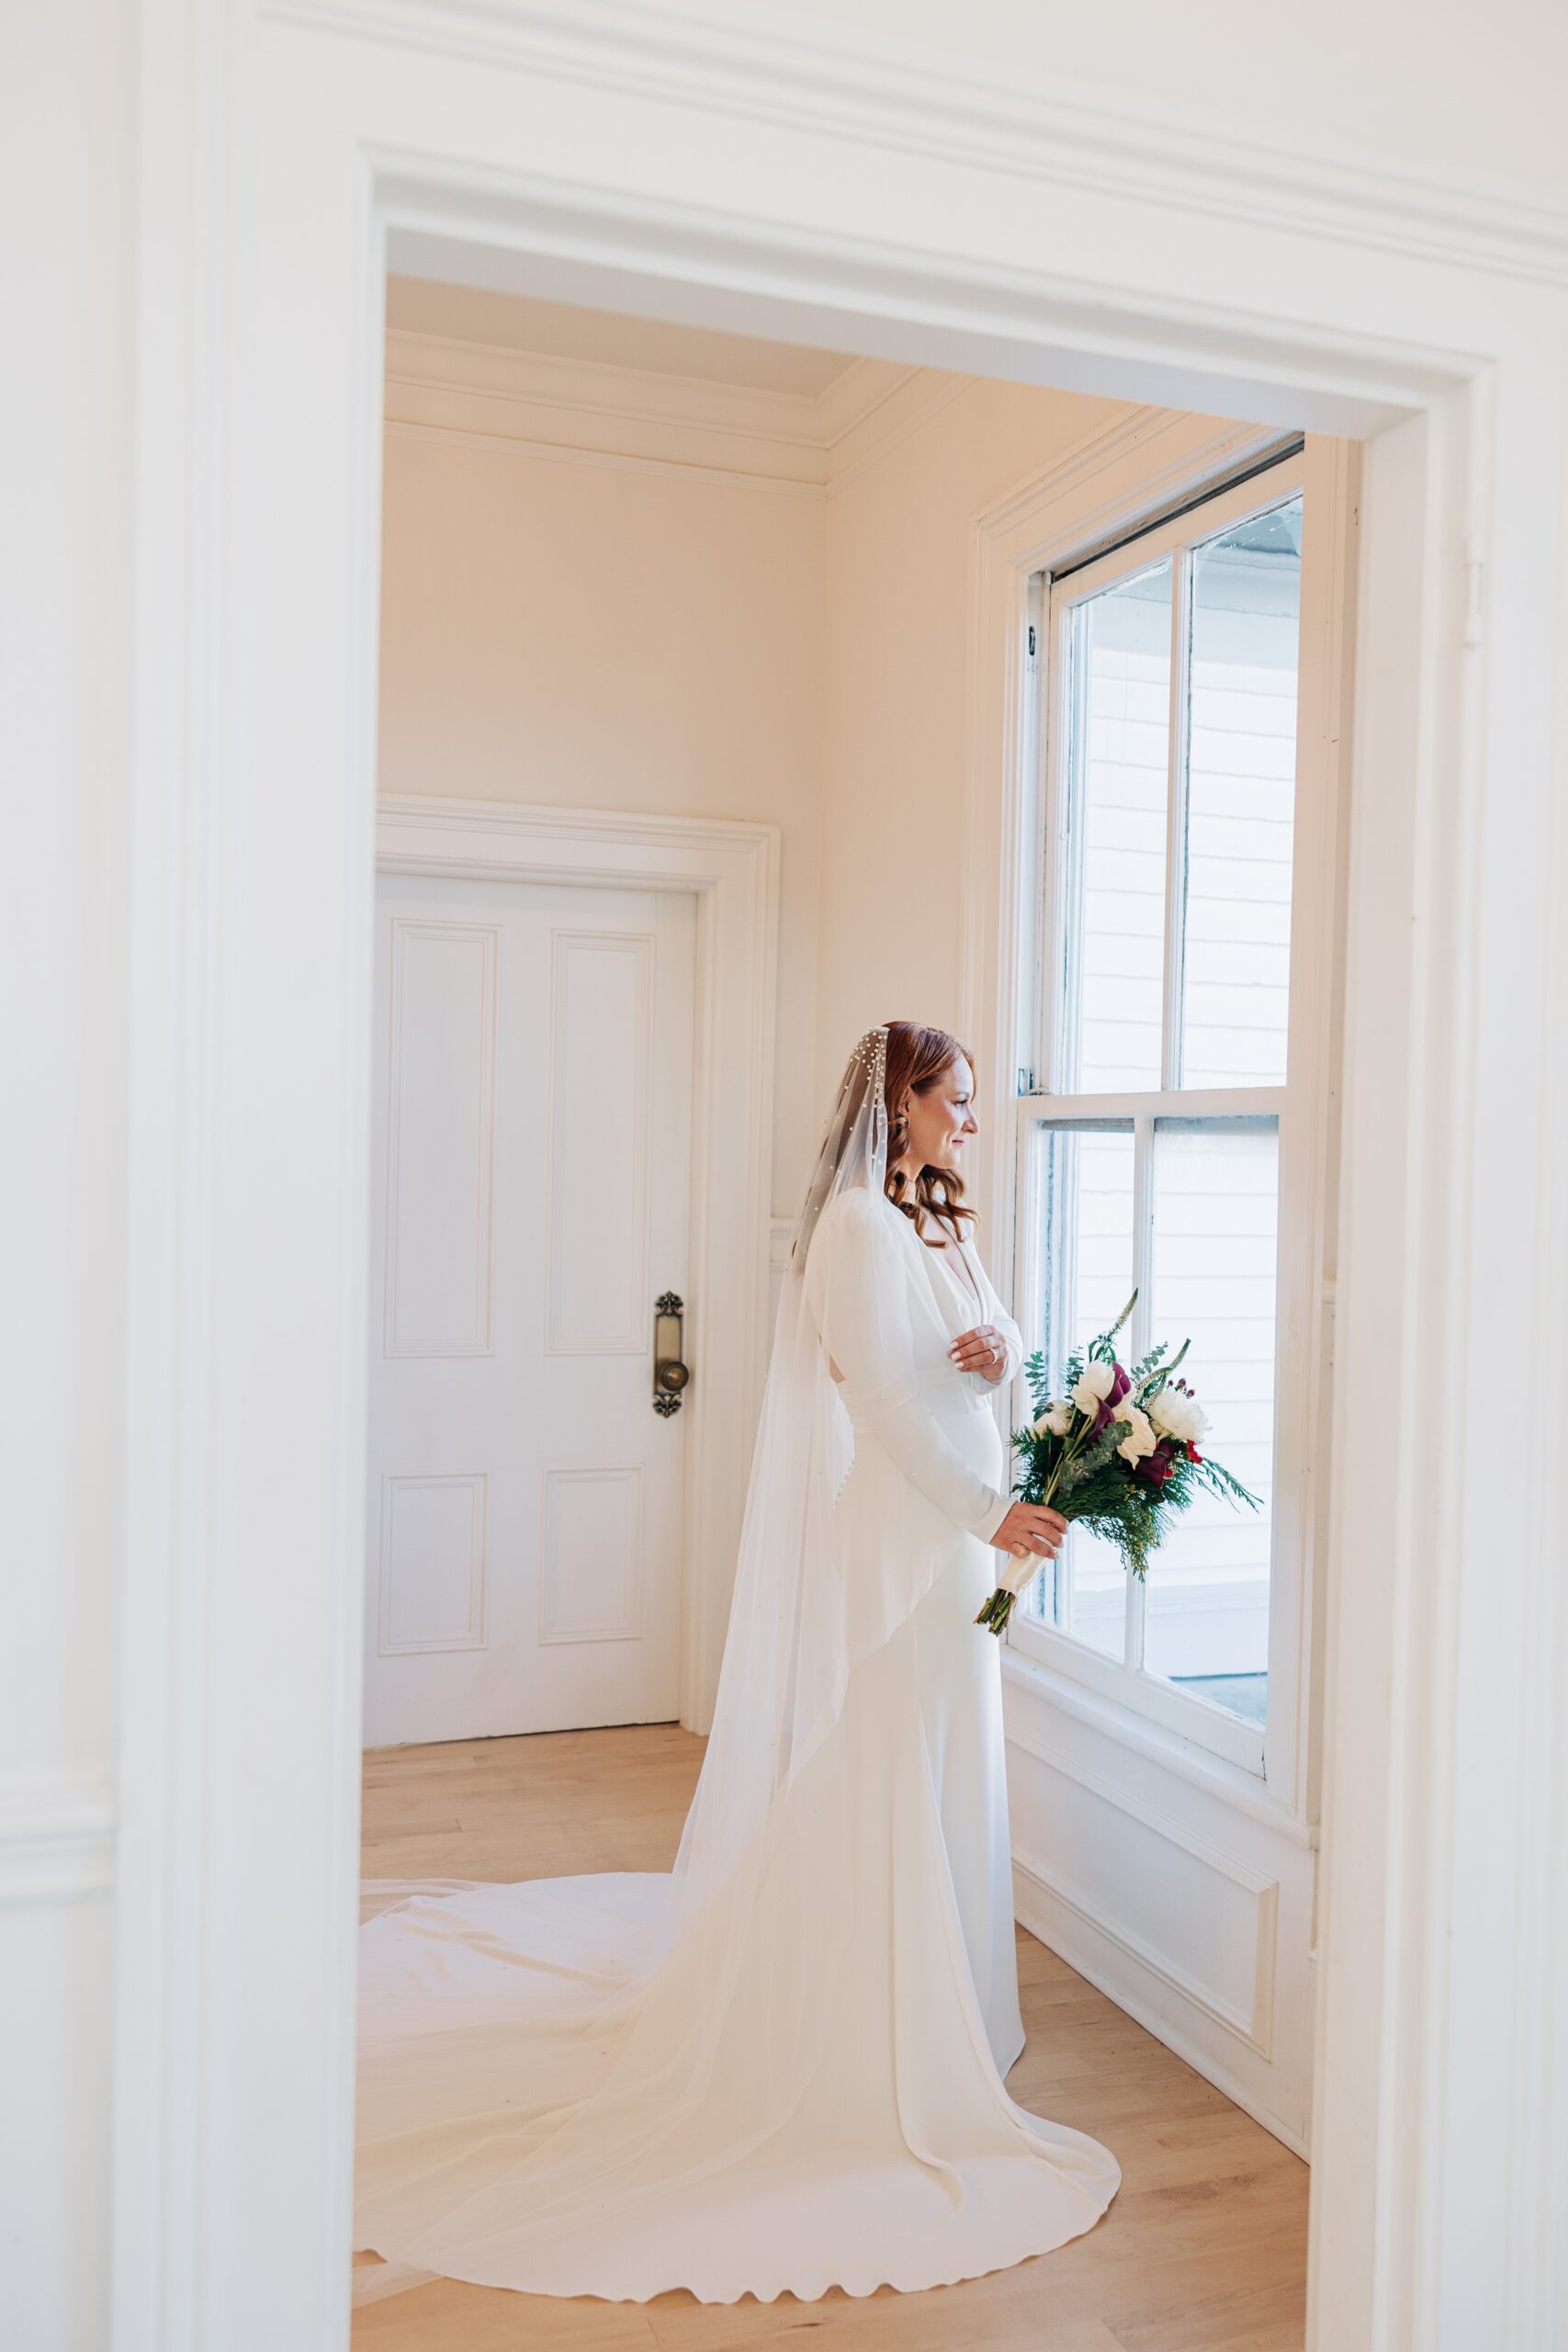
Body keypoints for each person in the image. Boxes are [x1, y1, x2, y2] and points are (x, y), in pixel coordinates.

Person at [352, 1021, 1121, 2308]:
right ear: (902, 1104)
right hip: (905, 1536)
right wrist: (985, 1511)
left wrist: (992, 1350)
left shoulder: (935, 1219)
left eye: (974, 1104)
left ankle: (956, 2012)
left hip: (958, 1545)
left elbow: (980, 1346)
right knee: (884, 1753)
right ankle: (865, 2026)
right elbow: (876, 1398)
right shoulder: (855, 1233)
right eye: (957, 1102)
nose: (972, 1124)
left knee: (943, 1757)